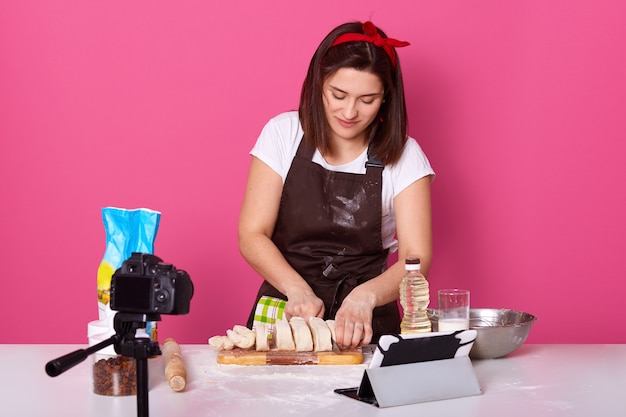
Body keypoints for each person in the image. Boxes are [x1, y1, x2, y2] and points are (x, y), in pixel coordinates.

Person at [239, 21, 434, 348]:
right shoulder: (283, 134)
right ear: (319, 83)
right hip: (285, 311)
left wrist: (365, 297)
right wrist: (297, 290)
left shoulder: (404, 155)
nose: (350, 111)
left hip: (366, 322)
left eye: (367, 99)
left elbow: (416, 258)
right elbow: (251, 234)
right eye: (338, 95)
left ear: (386, 97)